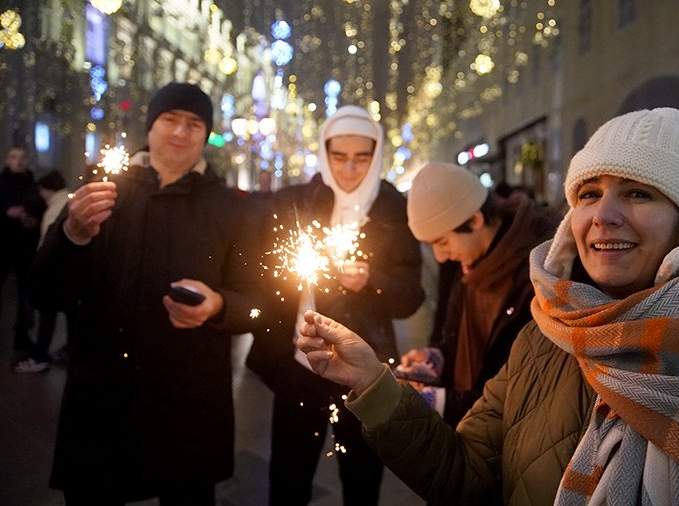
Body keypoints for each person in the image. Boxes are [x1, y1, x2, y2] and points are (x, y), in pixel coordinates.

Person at [296, 108, 679, 504]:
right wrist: (373, 382)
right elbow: (468, 475)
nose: (604, 216)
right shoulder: (547, 333)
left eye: (638, 193)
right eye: (588, 194)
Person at [33, 82, 266, 505]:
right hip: (102, 397)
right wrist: (72, 234)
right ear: (151, 125)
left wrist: (219, 305)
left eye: (194, 123)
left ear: (206, 134)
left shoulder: (231, 208)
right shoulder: (103, 190)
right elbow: (44, 290)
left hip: (188, 402)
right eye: (170, 119)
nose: (180, 131)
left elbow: (257, 301)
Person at [247, 105, 424, 505]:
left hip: (366, 371)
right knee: (289, 476)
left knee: (362, 478)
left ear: (376, 155)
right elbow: (265, 275)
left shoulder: (393, 208)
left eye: (361, 158)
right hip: (299, 364)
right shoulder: (299, 201)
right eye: (339, 157)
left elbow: (411, 296)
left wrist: (371, 280)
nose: (349, 169)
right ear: (325, 153)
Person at [399, 162, 557, 425]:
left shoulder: (541, 271)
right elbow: (458, 341)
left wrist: (439, 402)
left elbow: (520, 389)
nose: (440, 256)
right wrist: (436, 359)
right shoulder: (469, 262)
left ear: (475, 220)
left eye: (443, 242)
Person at [13, 170, 71, 373]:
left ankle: (40, 357)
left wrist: (39, 269)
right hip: (67, 272)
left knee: (47, 314)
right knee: (67, 314)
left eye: (41, 190)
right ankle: (66, 352)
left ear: (47, 189)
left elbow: (48, 244)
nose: (40, 194)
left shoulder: (54, 209)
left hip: (54, 272)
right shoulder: (68, 201)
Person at [1, 146, 44, 363]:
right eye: (14, 157)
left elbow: (38, 207)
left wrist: (31, 217)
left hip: (25, 245)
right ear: (7, 160)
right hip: (4, 243)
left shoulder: (31, 182)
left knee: (26, 293)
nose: (18, 161)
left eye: (21, 157)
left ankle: (22, 336)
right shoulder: (3, 182)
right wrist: (7, 212)